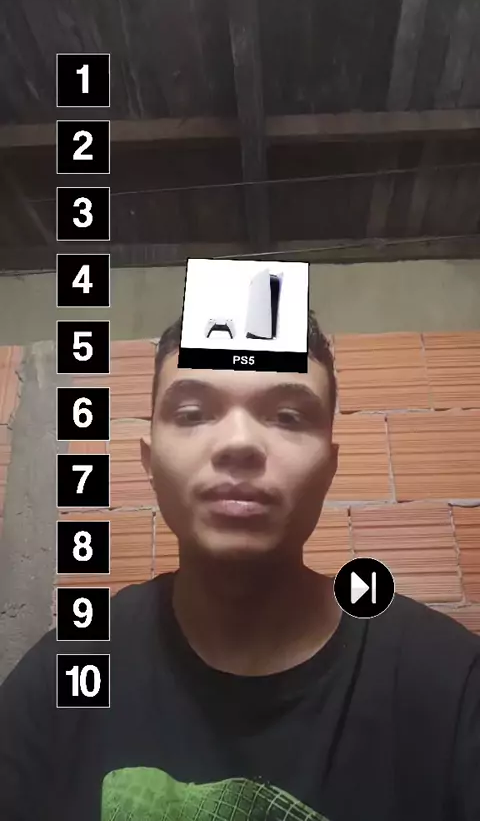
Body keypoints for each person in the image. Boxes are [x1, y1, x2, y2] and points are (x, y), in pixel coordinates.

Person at [0, 311, 479, 821]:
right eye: (192, 413)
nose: (239, 443)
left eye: (288, 417)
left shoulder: (452, 686)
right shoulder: (59, 680)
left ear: (329, 466)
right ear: (148, 460)